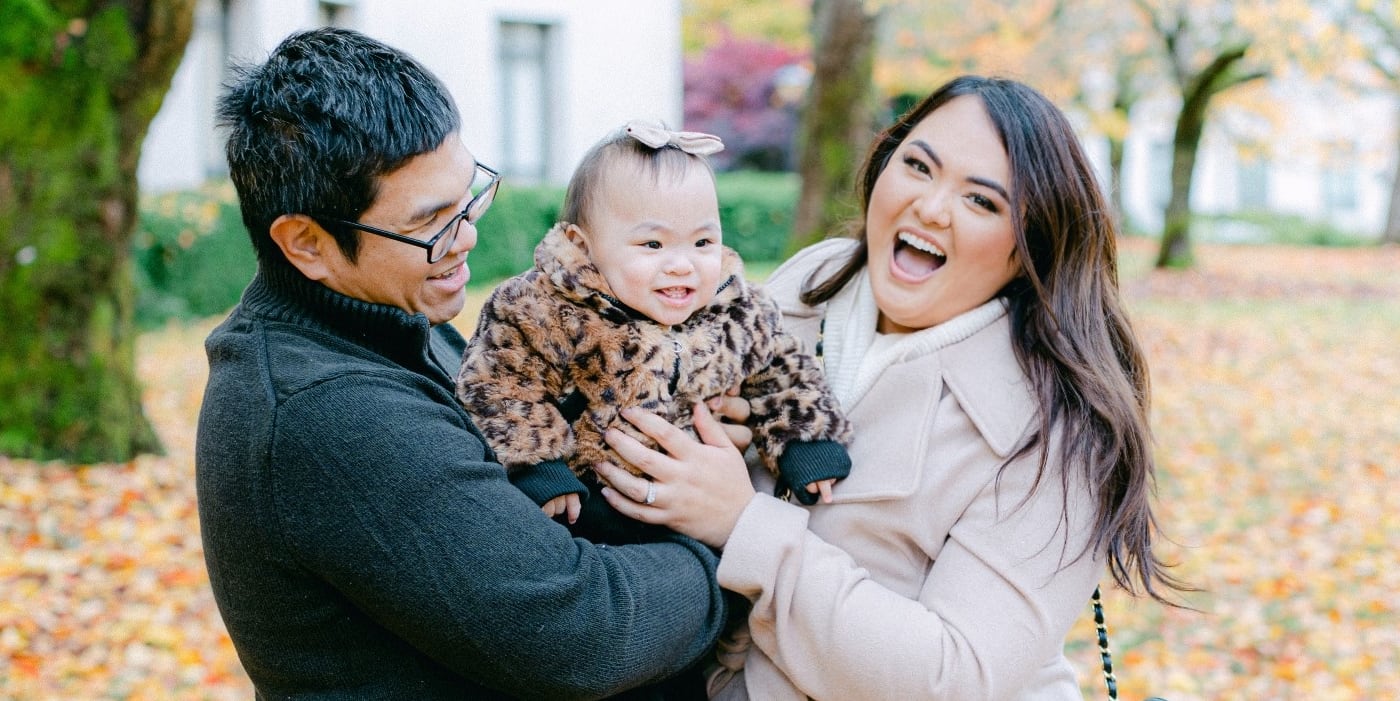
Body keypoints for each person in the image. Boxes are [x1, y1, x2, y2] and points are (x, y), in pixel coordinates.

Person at [593, 75, 1187, 699]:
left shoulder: (1058, 426)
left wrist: (743, 523)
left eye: (982, 202)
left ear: (1027, 248)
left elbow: (955, 677)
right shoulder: (805, 289)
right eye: (918, 166)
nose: (931, 208)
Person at [195, 28, 731, 699]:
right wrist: (733, 539)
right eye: (431, 223)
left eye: (469, 196)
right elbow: (579, 631)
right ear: (307, 242)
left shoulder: (391, 324)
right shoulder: (330, 411)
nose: (469, 235)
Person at [455, 120, 852, 529]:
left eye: (702, 242)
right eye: (653, 245)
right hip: (587, 506)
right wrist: (537, 466)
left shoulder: (736, 311)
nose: (682, 265)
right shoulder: (544, 309)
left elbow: (784, 372)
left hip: (695, 512)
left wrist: (806, 444)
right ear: (582, 246)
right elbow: (498, 382)